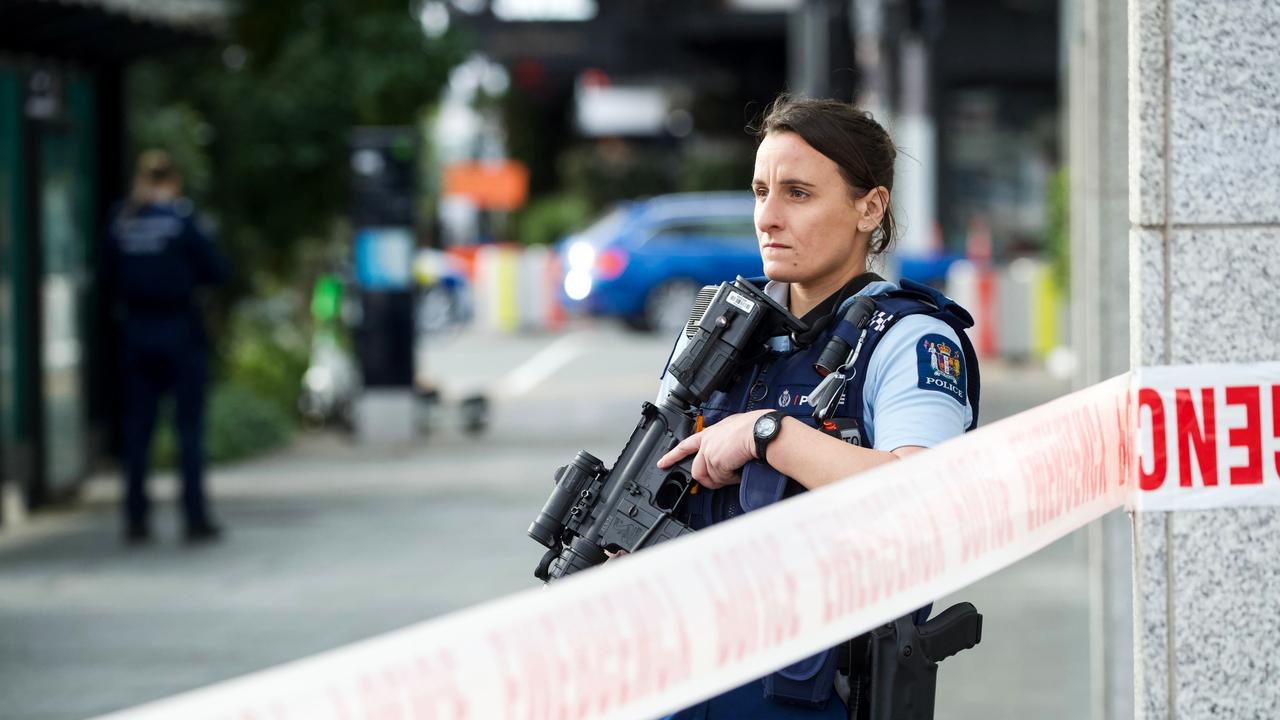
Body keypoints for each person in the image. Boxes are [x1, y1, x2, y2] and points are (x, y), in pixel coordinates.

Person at [652, 96, 980, 718]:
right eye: (759, 191)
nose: (767, 217)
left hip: (813, 693)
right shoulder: (717, 331)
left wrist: (767, 433)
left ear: (870, 206)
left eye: (798, 193)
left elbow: (927, 493)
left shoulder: (909, 337)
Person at [105, 150, 228, 544]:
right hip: (179, 330)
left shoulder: (123, 222)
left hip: (136, 332)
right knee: (188, 429)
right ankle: (193, 518)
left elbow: (106, 276)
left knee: (138, 430)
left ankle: (136, 518)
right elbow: (216, 270)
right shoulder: (182, 220)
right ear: (173, 180)